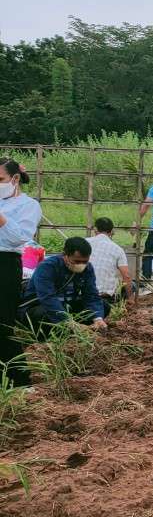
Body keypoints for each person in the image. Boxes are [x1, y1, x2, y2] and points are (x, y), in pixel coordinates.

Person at [0, 159, 41, 385]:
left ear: (15, 179)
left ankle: (20, 379)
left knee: (3, 322)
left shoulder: (28, 205)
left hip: (5, 264)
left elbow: (19, 237)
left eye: (0, 179)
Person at [20, 236, 108, 332]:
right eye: (77, 261)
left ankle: (78, 327)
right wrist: (67, 322)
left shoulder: (87, 268)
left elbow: (91, 295)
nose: (81, 265)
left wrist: (98, 318)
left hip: (67, 304)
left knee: (104, 306)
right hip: (41, 304)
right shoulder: (48, 267)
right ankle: (67, 327)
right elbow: (47, 297)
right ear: (65, 255)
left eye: (85, 261)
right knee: (42, 316)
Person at [87, 218, 131, 305]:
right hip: (105, 297)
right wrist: (131, 298)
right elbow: (126, 276)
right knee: (132, 285)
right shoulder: (118, 249)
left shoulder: (85, 242)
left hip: (84, 294)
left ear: (95, 229)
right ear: (111, 231)